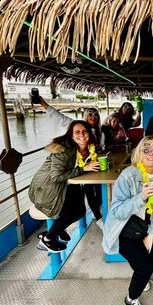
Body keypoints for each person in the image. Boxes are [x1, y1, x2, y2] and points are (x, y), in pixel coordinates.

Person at [102, 136, 153, 305]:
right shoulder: (128, 175)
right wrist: (140, 198)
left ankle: (140, 273)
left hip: (144, 230)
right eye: (146, 149)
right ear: (140, 152)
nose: (151, 153)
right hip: (125, 231)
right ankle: (131, 299)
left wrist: (151, 234)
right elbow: (116, 212)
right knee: (145, 268)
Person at [29, 120, 101, 252]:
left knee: (80, 209)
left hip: (65, 185)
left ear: (89, 133)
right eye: (77, 132)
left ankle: (58, 230)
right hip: (47, 189)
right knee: (71, 213)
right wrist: (84, 168)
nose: (82, 134)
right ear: (71, 136)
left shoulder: (89, 148)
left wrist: (87, 167)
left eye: (84, 131)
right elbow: (56, 177)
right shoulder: (64, 150)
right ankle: (47, 239)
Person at [39, 96, 104, 228]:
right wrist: (44, 104)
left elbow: (101, 148)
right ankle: (98, 217)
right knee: (89, 192)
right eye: (90, 114)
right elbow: (59, 118)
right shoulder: (75, 126)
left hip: (93, 167)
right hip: (76, 170)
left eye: (96, 114)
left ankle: (95, 211)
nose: (93, 116)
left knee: (99, 190)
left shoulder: (100, 132)